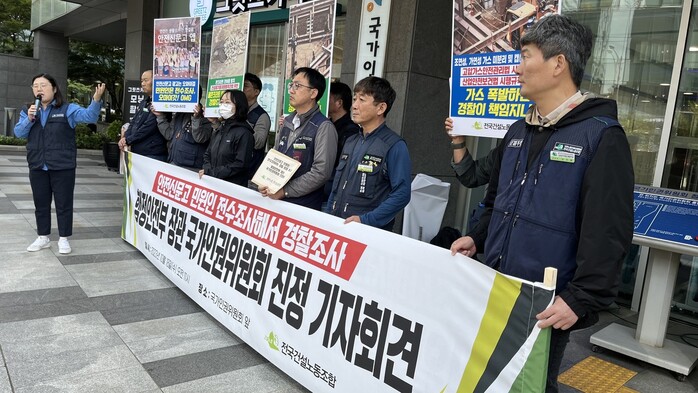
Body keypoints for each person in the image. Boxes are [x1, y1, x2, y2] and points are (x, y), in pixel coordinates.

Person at [449, 15, 634, 392]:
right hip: (498, 286)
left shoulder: (601, 136)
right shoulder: (519, 130)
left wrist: (580, 298)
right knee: (489, 379)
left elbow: (608, 229)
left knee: (530, 385)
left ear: (558, 64)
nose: (517, 69)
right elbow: (496, 198)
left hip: (545, 301)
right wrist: (478, 238)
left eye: (525, 56)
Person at [14, 74, 106, 254]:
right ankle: (43, 237)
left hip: (62, 166)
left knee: (63, 204)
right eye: (35, 86)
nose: (39, 89)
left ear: (54, 89)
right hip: (38, 165)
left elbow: (89, 117)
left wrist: (96, 100)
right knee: (41, 203)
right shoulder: (29, 110)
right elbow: (18, 133)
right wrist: (29, 119)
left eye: (43, 85)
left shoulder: (67, 109)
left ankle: (63, 238)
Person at [326, 76, 412, 231]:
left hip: (367, 231)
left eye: (362, 100)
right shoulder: (351, 141)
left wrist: (366, 220)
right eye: (354, 99)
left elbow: (402, 194)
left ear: (381, 108)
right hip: (338, 225)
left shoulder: (394, 145)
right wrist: (327, 214)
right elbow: (336, 186)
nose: (354, 106)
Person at [259, 67, 338, 210]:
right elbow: (275, 157)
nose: (291, 90)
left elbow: (321, 172)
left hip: (302, 208)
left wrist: (285, 191)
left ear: (313, 93)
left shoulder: (323, 127)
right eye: (291, 85)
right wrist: (265, 182)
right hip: (276, 203)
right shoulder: (287, 122)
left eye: (298, 86)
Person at [198, 90, 254, 187]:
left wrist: (213, 173)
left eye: (227, 102)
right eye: (221, 102)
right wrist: (208, 170)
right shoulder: (220, 129)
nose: (223, 105)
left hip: (231, 188)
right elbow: (208, 154)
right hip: (213, 183)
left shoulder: (244, 133)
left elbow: (240, 164)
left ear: (239, 105)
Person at [155, 88, 213, 170]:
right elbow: (169, 135)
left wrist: (196, 118)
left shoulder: (206, 115)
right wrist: (160, 117)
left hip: (191, 168)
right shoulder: (180, 113)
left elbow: (200, 138)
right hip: (174, 162)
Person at [118, 70, 168, 161]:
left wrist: (128, 140)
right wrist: (125, 137)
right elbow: (133, 122)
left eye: (146, 80)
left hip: (152, 153)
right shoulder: (144, 102)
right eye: (141, 81)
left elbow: (148, 127)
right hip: (138, 151)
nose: (143, 84)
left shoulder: (160, 104)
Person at [243, 73, 271, 179]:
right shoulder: (233, 112)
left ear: (256, 92)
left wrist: (241, 122)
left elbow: (258, 143)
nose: (242, 88)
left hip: (248, 173)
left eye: (246, 85)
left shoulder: (262, 116)